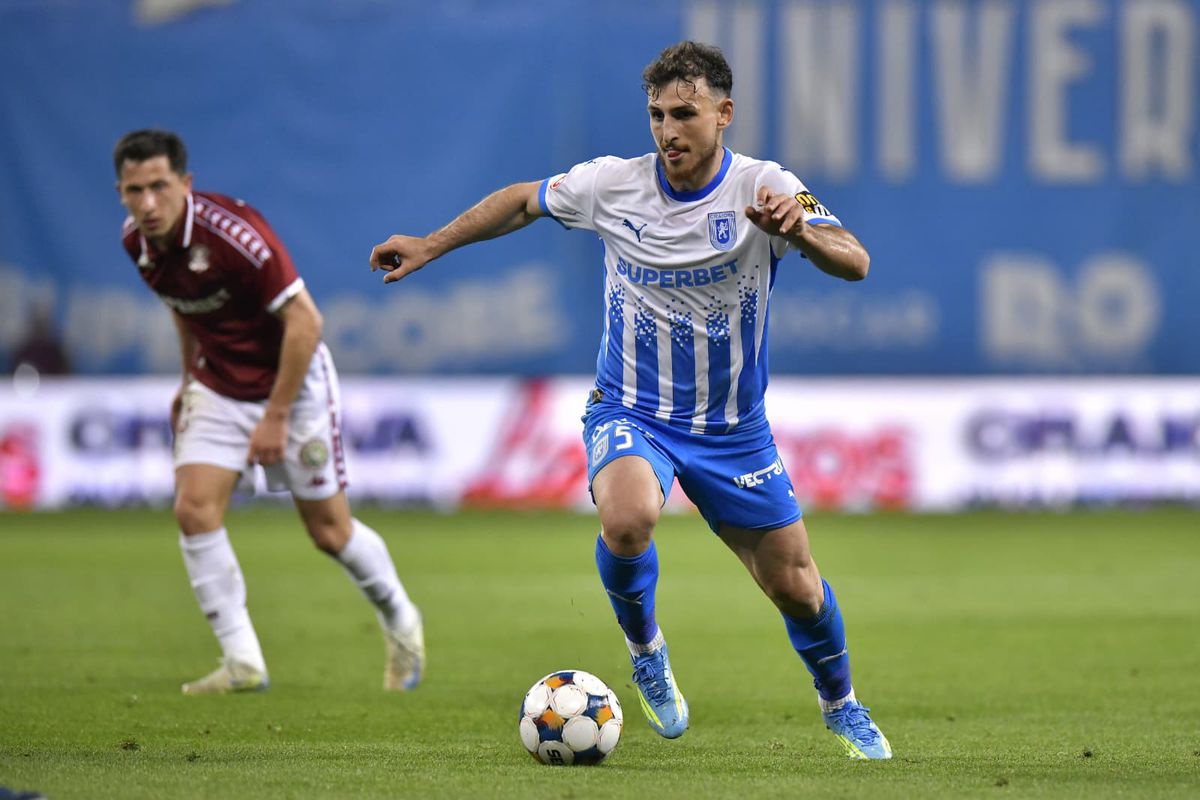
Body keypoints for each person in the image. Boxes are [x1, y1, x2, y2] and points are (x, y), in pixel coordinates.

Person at [369, 41, 891, 759]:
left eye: (685, 114)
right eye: (656, 115)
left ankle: (842, 705)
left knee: (798, 588)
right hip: (632, 410)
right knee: (627, 517)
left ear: (724, 114)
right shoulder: (612, 184)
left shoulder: (767, 186)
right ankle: (646, 650)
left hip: (732, 430)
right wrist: (432, 244)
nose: (668, 130)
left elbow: (855, 260)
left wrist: (798, 229)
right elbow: (522, 200)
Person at [114, 129, 424, 695]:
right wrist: (187, 381)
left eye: (159, 186)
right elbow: (185, 308)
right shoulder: (137, 241)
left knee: (329, 532)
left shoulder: (235, 236)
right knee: (194, 510)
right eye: (135, 190)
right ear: (121, 193)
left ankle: (401, 618)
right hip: (218, 382)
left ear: (185, 183)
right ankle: (243, 662)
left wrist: (276, 416)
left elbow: (306, 321)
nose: (148, 202)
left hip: (293, 383)